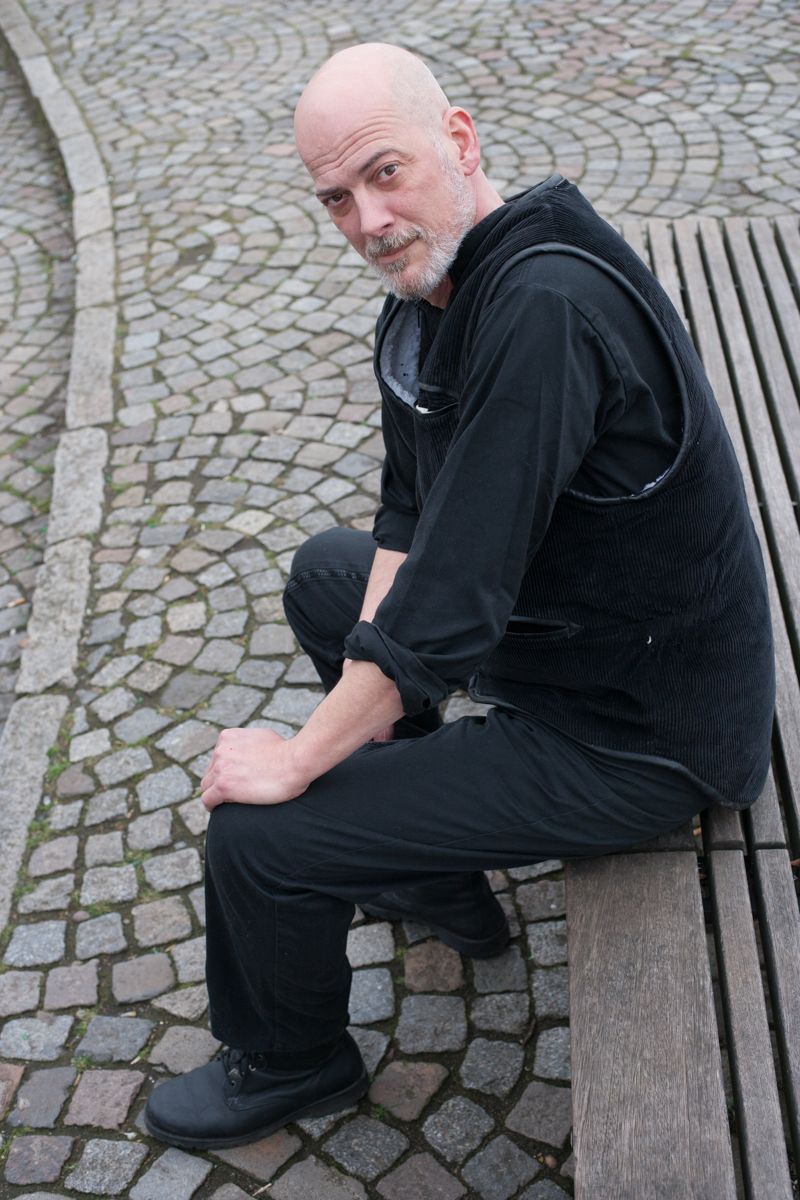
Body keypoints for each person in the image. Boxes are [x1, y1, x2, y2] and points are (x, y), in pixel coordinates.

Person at [145, 42, 775, 1149]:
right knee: (327, 578)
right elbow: (407, 521)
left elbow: (450, 609)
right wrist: (368, 672)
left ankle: (294, 1060)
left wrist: (300, 761)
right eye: (337, 198)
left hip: (641, 733)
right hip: (581, 634)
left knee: (259, 838)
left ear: (460, 139)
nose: (368, 220)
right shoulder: (435, 289)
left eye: (384, 173)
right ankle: (436, 876)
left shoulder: (541, 308)